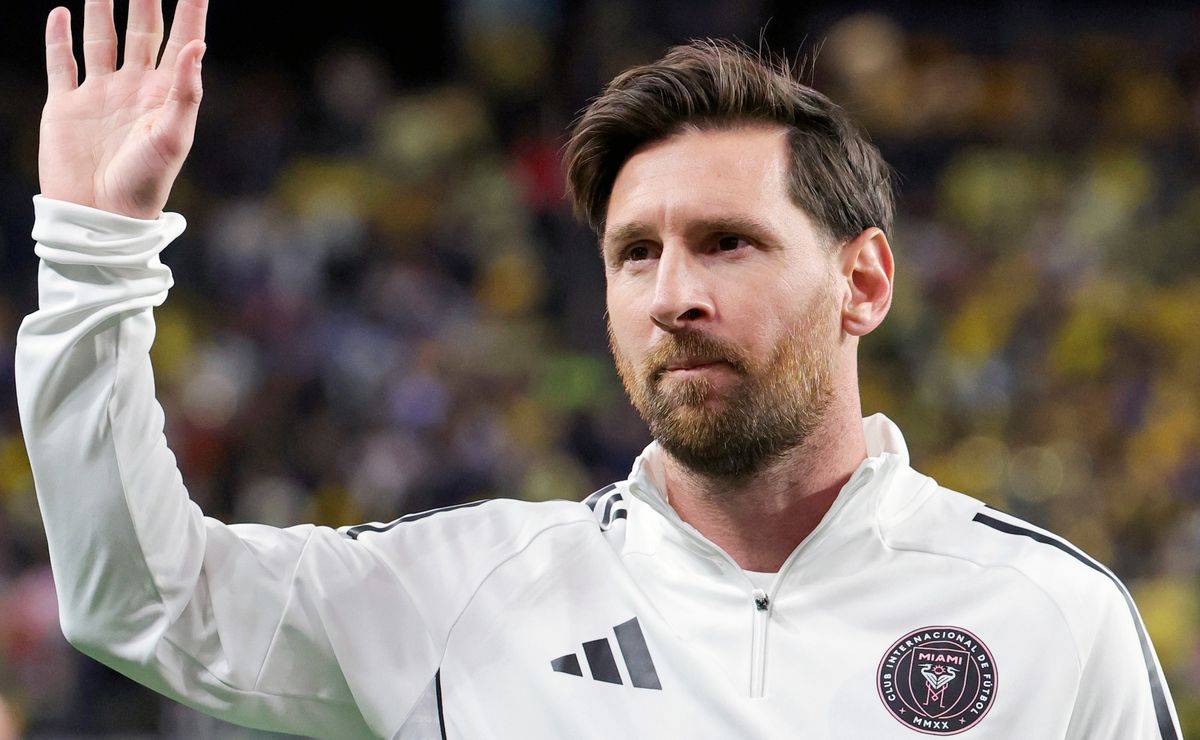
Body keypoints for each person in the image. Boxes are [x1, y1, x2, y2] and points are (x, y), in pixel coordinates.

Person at [14, 1, 1182, 738]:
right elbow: (146, 600)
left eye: (728, 241)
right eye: (636, 253)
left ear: (863, 282)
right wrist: (92, 256)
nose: (673, 293)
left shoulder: (1052, 617)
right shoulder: (464, 594)